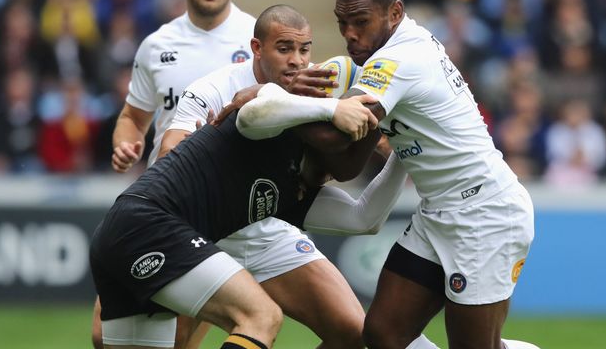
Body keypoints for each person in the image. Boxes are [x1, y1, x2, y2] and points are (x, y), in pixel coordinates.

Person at [282, 0, 539, 349]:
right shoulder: (403, 45)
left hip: (486, 214)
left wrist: (277, 99)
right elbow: (350, 161)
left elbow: (334, 141)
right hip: (439, 211)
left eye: (361, 21)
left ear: (395, 13)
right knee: (383, 335)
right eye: (342, 23)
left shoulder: (395, 61)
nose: (350, 34)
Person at [160, 4, 422, 348]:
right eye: (285, 49)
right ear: (257, 49)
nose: (298, 61)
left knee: (354, 335)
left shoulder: (323, 83)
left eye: (305, 49)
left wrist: (402, 151)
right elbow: (167, 155)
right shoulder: (215, 87)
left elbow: (362, 211)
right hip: (205, 231)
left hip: (266, 226)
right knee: (151, 343)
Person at [90, 82, 409, 348]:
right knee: (261, 317)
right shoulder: (271, 130)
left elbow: (363, 219)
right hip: (151, 224)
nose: (333, 176)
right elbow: (257, 106)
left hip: (129, 229)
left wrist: (405, 153)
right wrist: (333, 108)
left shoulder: (296, 189)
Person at [97, 0, 255, 349]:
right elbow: (133, 115)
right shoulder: (157, 45)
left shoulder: (258, 39)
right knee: (103, 335)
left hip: (223, 209)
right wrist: (125, 142)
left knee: (178, 339)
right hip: (163, 201)